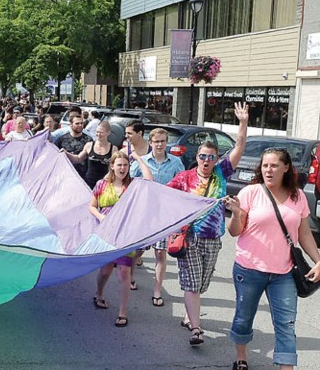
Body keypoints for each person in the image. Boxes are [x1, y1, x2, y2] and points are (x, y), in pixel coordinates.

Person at [224, 148, 320, 370]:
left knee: (286, 324)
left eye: (274, 165)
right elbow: (234, 231)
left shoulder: (297, 196)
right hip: (249, 269)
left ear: (286, 167)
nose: (269, 170)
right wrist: (236, 214)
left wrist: (318, 260)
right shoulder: (250, 192)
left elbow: (303, 233)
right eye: (265, 165)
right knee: (244, 317)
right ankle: (241, 357)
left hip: (284, 273)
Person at [167, 102, 249, 346]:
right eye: (202, 156)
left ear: (216, 160)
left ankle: (189, 314)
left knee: (201, 284)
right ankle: (196, 329)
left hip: (213, 239)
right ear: (197, 157)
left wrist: (243, 122)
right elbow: (165, 197)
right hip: (190, 237)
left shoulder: (222, 173)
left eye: (210, 157)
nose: (206, 160)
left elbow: (240, 146)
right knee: (192, 284)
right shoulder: (185, 178)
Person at [89, 151, 153, 327]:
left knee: (124, 272)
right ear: (112, 166)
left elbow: (150, 180)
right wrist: (101, 217)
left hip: (126, 235)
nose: (123, 168)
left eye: (125, 165)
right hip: (107, 234)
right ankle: (99, 294)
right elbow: (92, 206)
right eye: (119, 164)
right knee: (105, 271)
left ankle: (122, 312)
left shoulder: (133, 185)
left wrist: (139, 159)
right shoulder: (102, 184)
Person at [129, 127, 185, 308]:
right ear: (150, 143)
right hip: (145, 213)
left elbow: (182, 188)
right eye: (156, 141)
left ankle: (157, 290)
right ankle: (130, 274)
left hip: (165, 215)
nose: (160, 144)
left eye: (163, 141)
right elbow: (130, 185)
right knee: (139, 249)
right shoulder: (142, 162)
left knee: (160, 253)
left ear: (166, 143)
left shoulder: (176, 163)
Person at [65, 120, 117, 188]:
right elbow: (78, 159)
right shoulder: (89, 145)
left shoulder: (113, 149)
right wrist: (66, 153)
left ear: (108, 133)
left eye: (101, 132)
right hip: (88, 182)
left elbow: (115, 168)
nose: (98, 134)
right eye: (97, 132)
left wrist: (107, 179)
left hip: (104, 184)